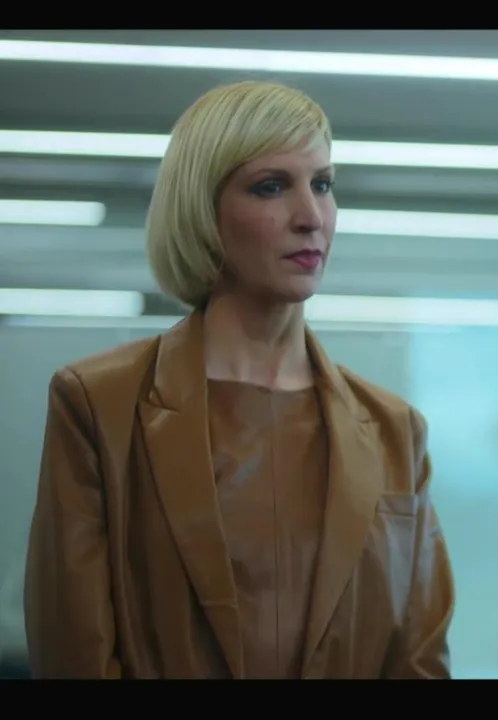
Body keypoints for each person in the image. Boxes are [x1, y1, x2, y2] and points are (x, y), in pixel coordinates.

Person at [23, 81, 455, 679]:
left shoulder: (394, 432)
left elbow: (419, 660)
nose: (311, 217)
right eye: (271, 186)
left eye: (322, 184)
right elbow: (75, 657)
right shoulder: (99, 405)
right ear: (203, 211)